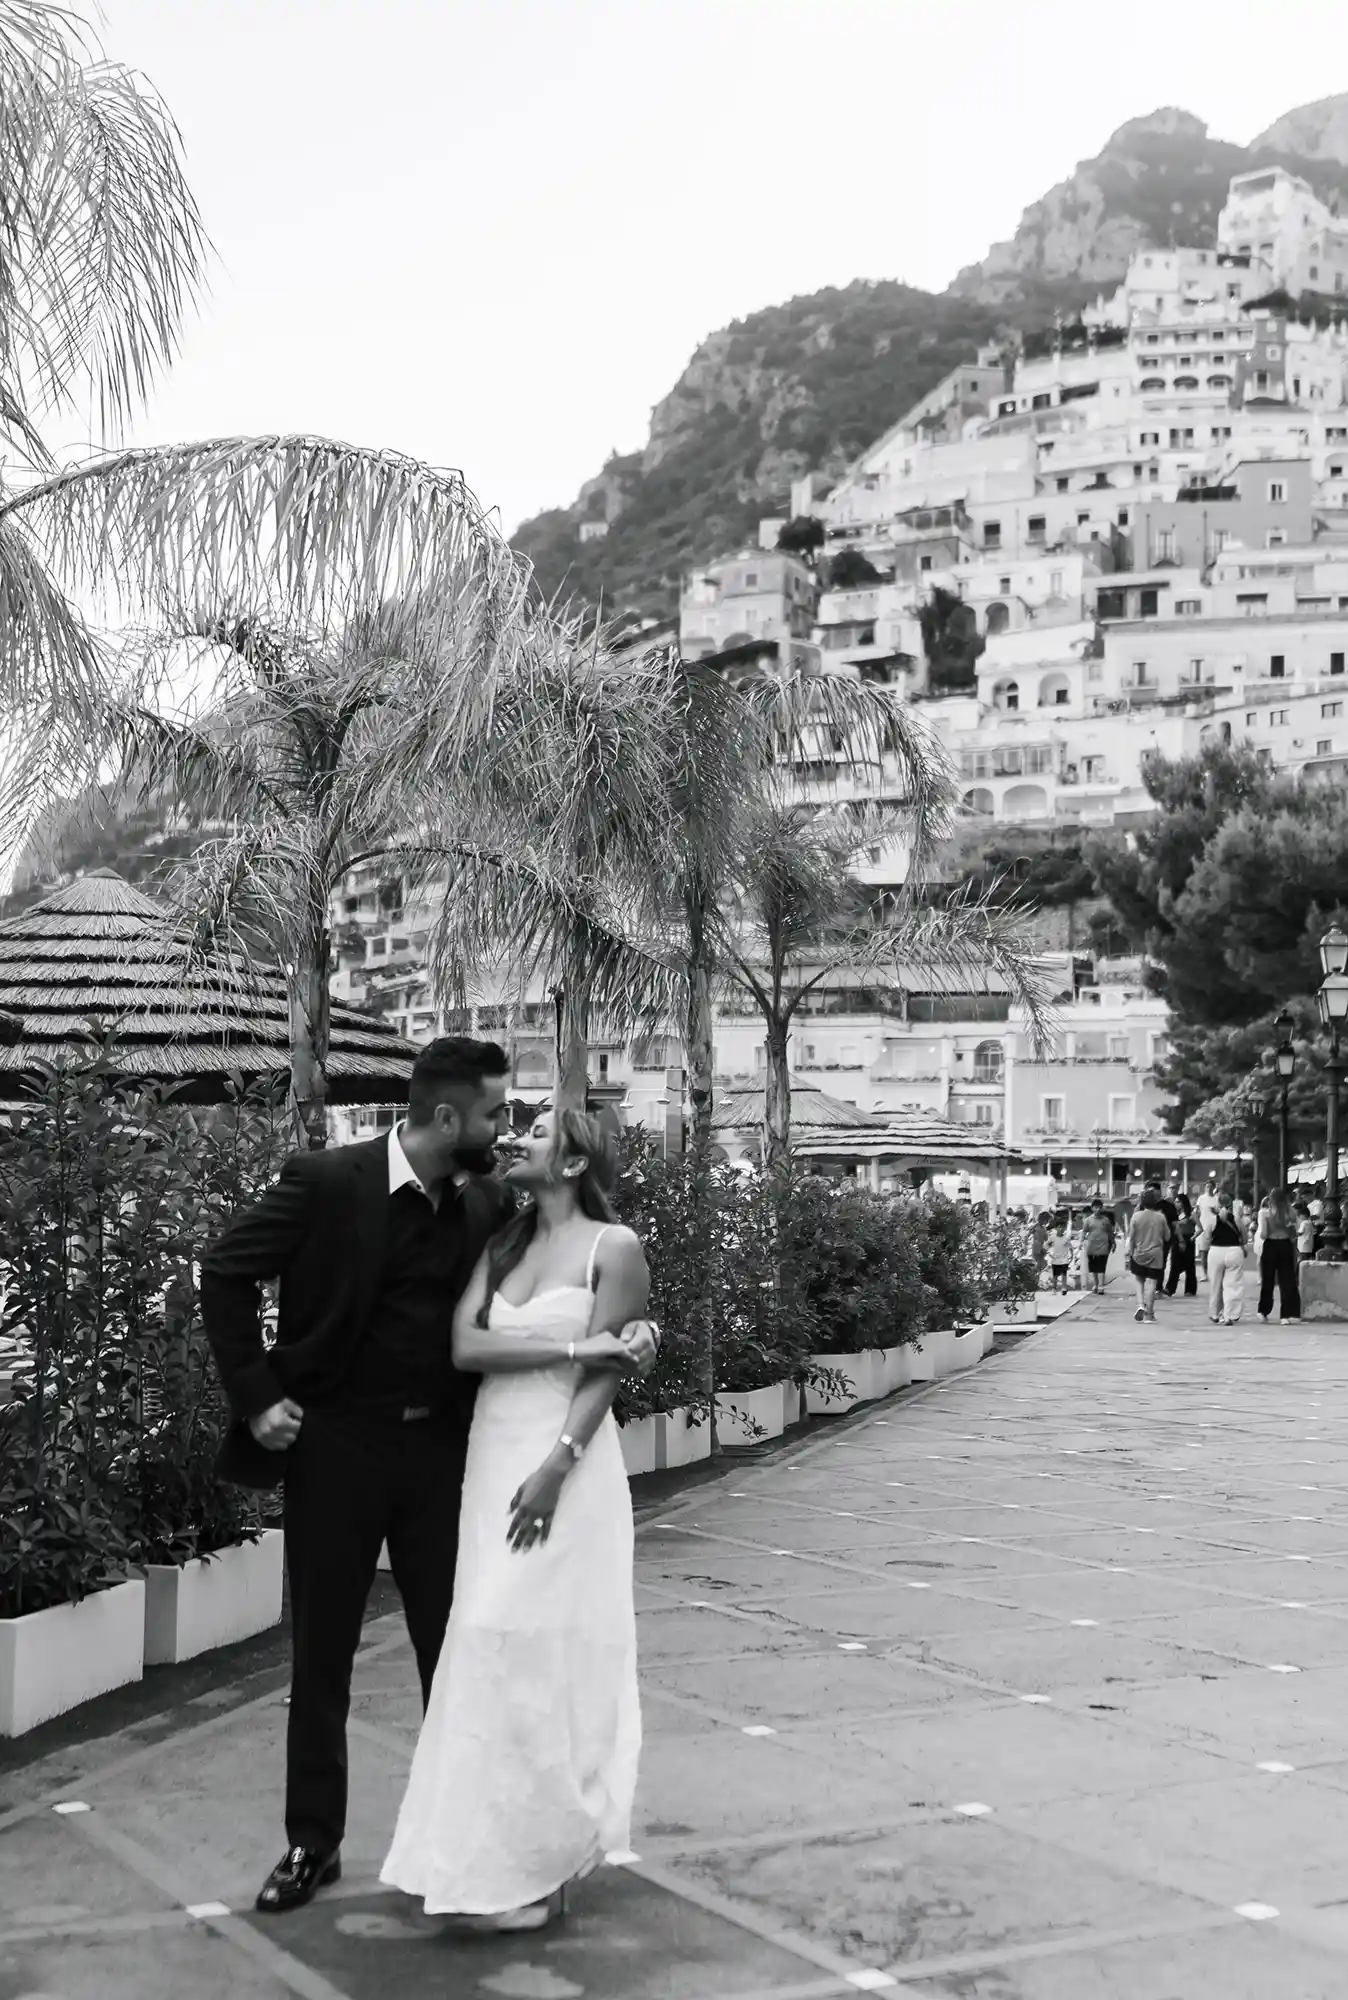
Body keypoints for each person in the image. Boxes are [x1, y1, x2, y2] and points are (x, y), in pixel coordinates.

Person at [199, 1038, 659, 1917]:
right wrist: (257, 1397)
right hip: (336, 1451)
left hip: (450, 1460)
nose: (504, 1127)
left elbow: (588, 1273)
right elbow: (224, 1272)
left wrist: (641, 1334)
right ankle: (312, 1843)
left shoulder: (491, 1204)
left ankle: (472, 1847)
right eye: (493, 1113)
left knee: (460, 1652)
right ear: (448, 1118)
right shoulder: (326, 1182)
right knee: (322, 1653)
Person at [382, 1108, 646, 1931]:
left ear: (573, 1163)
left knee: (541, 1647)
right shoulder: (503, 1243)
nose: (517, 1139)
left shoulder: (615, 1248)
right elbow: (466, 1348)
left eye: (536, 1133)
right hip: (494, 1454)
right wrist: (571, 1348)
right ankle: (502, 1860)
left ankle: (541, 1864)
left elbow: (609, 1373)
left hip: (565, 1462)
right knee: (485, 1640)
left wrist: (557, 1467)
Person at [1255, 1187, 1302, 1325]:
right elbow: (1296, 1232)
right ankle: (1286, 1315)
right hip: (1285, 1245)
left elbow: (1264, 1234)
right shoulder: (1290, 1212)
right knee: (1287, 1280)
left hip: (1270, 1245)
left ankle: (1263, 1311)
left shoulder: (1265, 1213)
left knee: (1267, 1280)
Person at [1203, 1192, 1248, 1325]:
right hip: (1234, 1252)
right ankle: (1230, 1315)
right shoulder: (1237, 1220)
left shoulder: (1212, 1219)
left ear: (1218, 1204)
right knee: (1233, 1285)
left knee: (1215, 1284)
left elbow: (1207, 1238)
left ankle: (1215, 1313)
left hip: (1216, 1251)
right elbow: (1244, 1239)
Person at [1125, 1190, 1170, 1322]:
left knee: (1139, 1280)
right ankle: (1149, 1314)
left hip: (1139, 1253)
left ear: (1142, 1202)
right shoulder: (1160, 1217)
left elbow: (1131, 1237)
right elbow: (1167, 1236)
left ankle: (1140, 1305)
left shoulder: (1136, 1216)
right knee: (1152, 1283)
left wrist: (1129, 1254)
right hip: (1155, 1254)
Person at [1164, 1193, 1198, 1297]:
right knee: (1174, 1264)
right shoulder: (1175, 1215)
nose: (1176, 1204)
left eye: (1178, 1202)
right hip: (1176, 1239)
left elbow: (1200, 1229)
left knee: (1190, 1266)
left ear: (1183, 1203)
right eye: (1175, 1202)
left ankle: (1190, 1289)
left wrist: (1192, 1238)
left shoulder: (1191, 1214)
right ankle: (1170, 1288)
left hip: (1188, 1239)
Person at [1081, 1199, 1115, 1295]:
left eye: (1100, 1207)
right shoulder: (1088, 1220)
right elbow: (1084, 1232)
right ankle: (1096, 1285)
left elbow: (1110, 1233)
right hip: (1091, 1247)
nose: (1098, 1209)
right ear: (1092, 1208)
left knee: (1101, 1267)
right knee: (1093, 1268)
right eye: (1096, 1207)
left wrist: (1113, 1243)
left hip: (1103, 1246)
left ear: (1102, 1208)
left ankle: (1101, 1286)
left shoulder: (1106, 1220)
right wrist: (1081, 1241)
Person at [1046, 1210, 1073, 1293]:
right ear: (1056, 1228)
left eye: (1062, 1227)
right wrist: (1049, 1253)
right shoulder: (1052, 1237)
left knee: (1064, 1274)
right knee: (1055, 1275)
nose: (1061, 1229)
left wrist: (1071, 1256)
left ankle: (1064, 1287)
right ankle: (1054, 1288)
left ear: (1064, 1228)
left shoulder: (1066, 1238)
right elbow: (1047, 1246)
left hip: (1064, 1259)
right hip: (1055, 1259)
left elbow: (1070, 1247)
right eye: (1059, 1227)